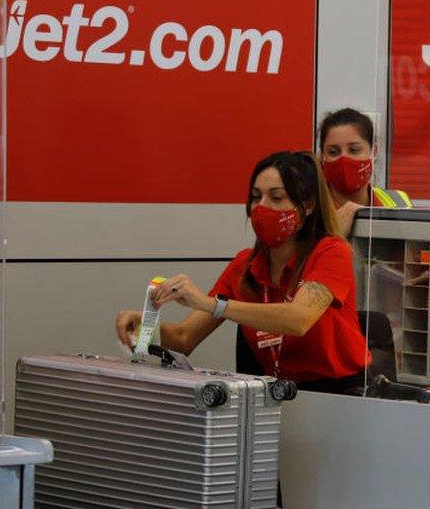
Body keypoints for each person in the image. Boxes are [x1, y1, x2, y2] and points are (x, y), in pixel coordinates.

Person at [115, 151, 369, 394]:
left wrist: (212, 304)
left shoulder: (331, 252)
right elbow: (184, 338)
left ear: (308, 206)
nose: (261, 207)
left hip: (339, 396)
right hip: (274, 394)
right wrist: (146, 329)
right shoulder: (244, 266)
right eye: (256, 197)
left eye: (277, 197)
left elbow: (298, 318)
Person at [318, 108, 413, 238]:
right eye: (333, 152)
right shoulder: (310, 209)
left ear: (374, 152)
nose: (344, 159)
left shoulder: (399, 202)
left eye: (354, 150)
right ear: (323, 156)